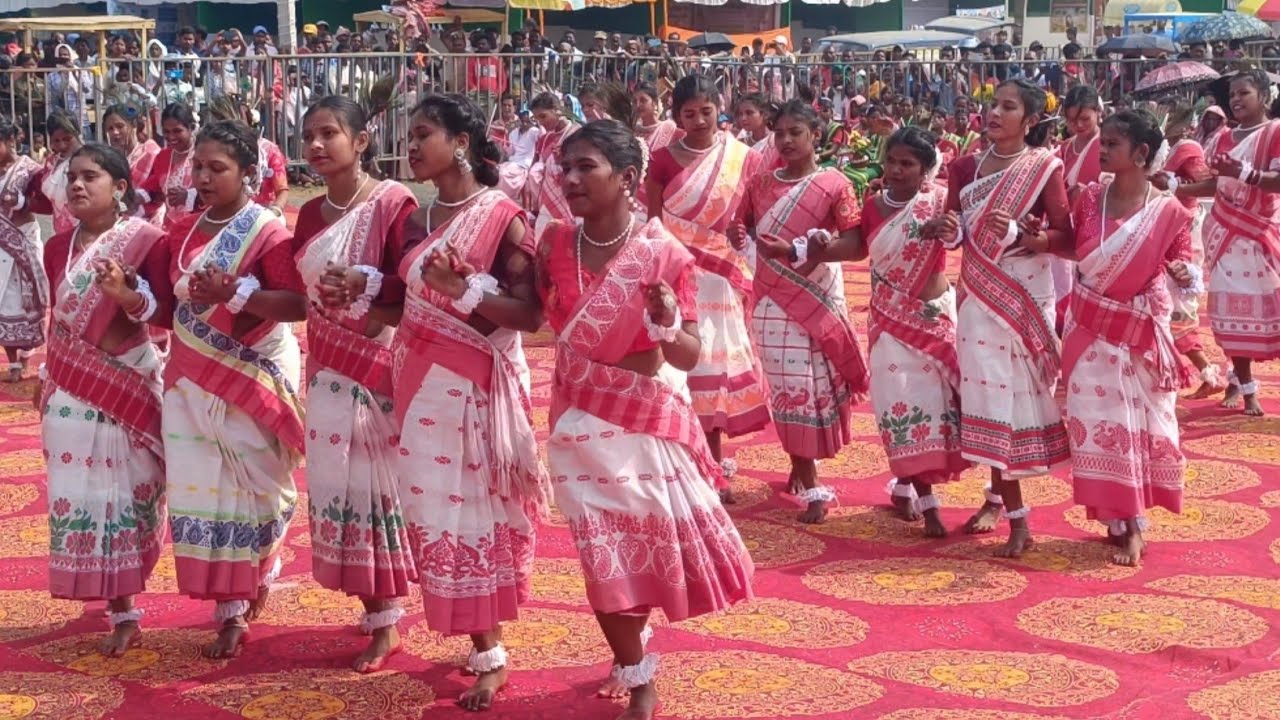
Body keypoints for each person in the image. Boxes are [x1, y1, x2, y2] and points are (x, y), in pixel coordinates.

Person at [537, 118, 753, 720]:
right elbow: (541, 318)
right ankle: (637, 676)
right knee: (601, 554)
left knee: (641, 550)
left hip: (642, 422)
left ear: (628, 178)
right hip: (578, 423)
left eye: (587, 168)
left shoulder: (663, 254)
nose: (572, 179)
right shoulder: (554, 242)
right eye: (567, 168)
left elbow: (686, 353)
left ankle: (635, 644)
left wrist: (662, 318)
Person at [395, 94, 546, 711]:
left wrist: (465, 291)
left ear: (460, 142)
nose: (411, 146)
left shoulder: (503, 217)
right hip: (414, 380)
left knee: (477, 510)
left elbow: (530, 314)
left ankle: (492, 651)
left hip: (475, 384)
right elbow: (397, 297)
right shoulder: (416, 220)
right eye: (408, 135)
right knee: (434, 513)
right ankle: (470, 630)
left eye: (423, 133)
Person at [163, 120, 306, 659]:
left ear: (250, 173)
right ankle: (229, 609)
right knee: (206, 488)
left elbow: (295, 305)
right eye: (198, 166)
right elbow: (164, 304)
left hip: (255, 366)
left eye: (216, 168)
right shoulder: (181, 229)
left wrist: (235, 294)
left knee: (264, 489)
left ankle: (262, 563)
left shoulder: (269, 230)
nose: (202, 176)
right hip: (191, 375)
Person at [292, 96, 420, 672]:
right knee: (339, 491)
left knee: (379, 493)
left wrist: (367, 285)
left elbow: (412, 285)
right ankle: (373, 608)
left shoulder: (395, 203)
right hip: (327, 366)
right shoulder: (308, 215)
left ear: (361, 142)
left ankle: (387, 618)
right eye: (308, 136)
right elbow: (302, 293)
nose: (316, 146)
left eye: (329, 134)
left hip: (378, 364)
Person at [38, 143, 170, 656]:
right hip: (69, 389)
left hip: (124, 384)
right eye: (71, 176)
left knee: (126, 497)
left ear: (120, 188)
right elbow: (59, 321)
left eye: (90, 176)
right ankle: (117, 606)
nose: (76, 185)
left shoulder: (146, 242)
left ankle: (126, 605)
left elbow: (162, 315)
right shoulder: (58, 247)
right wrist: (48, 377)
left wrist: (125, 296)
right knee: (83, 497)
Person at [940, 78, 1073, 556]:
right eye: (992, 105)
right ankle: (1014, 514)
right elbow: (953, 232)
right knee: (991, 402)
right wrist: (949, 230)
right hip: (978, 297)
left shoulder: (1043, 168)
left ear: (1030, 120)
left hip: (1024, 294)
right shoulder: (963, 168)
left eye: (1007, 107)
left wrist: (1022, 232)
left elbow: (1067, 239)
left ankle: (1000, 499)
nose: (994, 113)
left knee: (1018, 400)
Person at [1065, 109, 1194, 566]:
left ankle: (1137, 524)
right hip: (1089, 327)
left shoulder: (1168, 211)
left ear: (1141, 154)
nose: (1101, 150)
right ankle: (1115, 516)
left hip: (1137, 331)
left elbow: (1184, 264)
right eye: (1102, 142)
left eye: (1112, 145)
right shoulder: (1088, 198)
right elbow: (1075, 249)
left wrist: (1183, 272)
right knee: (1099, 425)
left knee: (1138, 425)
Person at [729, 100, 868, 523]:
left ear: (815, 136)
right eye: (780, 133)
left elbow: (856, 244)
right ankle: (810, 482)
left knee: (821, 387)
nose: (786, 141)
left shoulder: (835, 184)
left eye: (796, 133)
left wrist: (808, 248)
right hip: (773, 298)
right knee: (792, 387)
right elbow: (740, 224)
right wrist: (737, 232)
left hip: (819, 292)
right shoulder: (759, 183)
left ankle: (802, 463)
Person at [645, 75, 770, 499]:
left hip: (721, 278)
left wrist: (740, 237)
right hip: (681, 274)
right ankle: (691, 463)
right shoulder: (660, 159)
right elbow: (654, 221)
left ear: (721, 108)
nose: (699, 120)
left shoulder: (743, 158)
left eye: (706, 111)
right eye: (688, 113)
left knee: (716, 371)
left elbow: (753, 213)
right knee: (685, 369)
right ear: (676, 116)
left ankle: (713, 466)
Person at [861, 127, 969, 537]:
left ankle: (907, 485)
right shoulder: (872, 206)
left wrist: (949, 228)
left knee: (942, 410)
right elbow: (857, 248)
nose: (896, 170)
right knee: (902, 409)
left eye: (907, 164)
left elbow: (965, 237)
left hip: (933, 319)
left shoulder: (941, 202)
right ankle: (929, 504)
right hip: (890, 322)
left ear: (926, 170)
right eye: (891, 161)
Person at [1175, 70, 1280, 416]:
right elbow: (1215, 185)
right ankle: (1244, 386)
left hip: (1259, 232)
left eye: (1244, 93)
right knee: (1230, 315)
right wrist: (1176, 188)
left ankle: (1242, 382)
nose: (1235, 99)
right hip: (1225, 235)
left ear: (1264, 96)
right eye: (1232, 94)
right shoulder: (1225, 137)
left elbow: (1276, 182)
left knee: (1268, 310)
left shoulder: (1275, 132)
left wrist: (1246, 174)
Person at [1150, 103, 1224, 398]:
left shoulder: (1188, 147)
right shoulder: (1168, 146)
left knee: (1177, 309)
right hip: (1161, 225)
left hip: (1182, 226)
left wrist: (1170, 185)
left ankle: (1208, 372)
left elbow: (1206, 184)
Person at [1053, 85, 1105, 331]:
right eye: (1072, 120)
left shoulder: (1109, 143)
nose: (1079, 125)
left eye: (1085, 118)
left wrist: (1089, 192)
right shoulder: (1064, 147)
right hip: (1069, 225)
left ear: (1098, 112)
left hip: (1100, 225)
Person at [0, 120, 48, 382]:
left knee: (28, 299)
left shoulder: (29, 169)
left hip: (23, 240)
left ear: (10, 140)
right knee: (3, 300)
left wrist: (19, 202)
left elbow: (45, 203)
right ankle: (12, 362)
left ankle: (27, 353)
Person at [203, 97, 290, 219]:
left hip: (261, 218)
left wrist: (274, 212)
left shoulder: (268, 150)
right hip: (223, 216)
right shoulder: (212, 152)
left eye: (222, 120)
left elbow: (282, 190)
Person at [140, 103, 200, 231]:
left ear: (191, 128)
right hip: (170, 227)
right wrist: (134, 198)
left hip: (200, 226)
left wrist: (189, 196)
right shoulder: (163, 156)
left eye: (177, 131)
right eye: (166, 132)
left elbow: (219, 188)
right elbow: (153, 185)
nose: (171, 137)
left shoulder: (203, 154)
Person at [528, 92, 580, 236]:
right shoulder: (545, 138)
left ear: (557, 109)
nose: (540, 122)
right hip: (546, 202)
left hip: (570, 200)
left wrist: (564, 161)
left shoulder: (576, 133)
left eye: (543, 116)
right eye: (536, 118)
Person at [27, 111, 82, 237]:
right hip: (60, 232)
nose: (62, 145)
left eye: (67, 139)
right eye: (56, 140)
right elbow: (47, 204)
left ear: (77, 133)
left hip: (86, 231)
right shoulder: (51, 162)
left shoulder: (90, 159)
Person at [102, 103, 161, 193]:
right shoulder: (108, 159)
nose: (115, 132)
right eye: (110, 128)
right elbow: (116, 193)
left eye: (120, 126)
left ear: (134, 125)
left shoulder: (150, 152)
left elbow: (159, 187)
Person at [499, 110, 543, 206]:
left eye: (527, 121)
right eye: (522, 121)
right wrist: (506, 146)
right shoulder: (513, 133)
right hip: (513, 161)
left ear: (531, 122)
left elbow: (543, 136)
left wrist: (538, 123)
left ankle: (505, 198)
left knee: (503, 173)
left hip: (524, 164)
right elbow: (511, 153)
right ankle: (502, 199)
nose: (524, 124)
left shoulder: (534, 131)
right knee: (498, 170)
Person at [633, 82, 680, 153]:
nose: (638, 105)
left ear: (654, 102)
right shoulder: (634, 130)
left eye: (643, 100)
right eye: (634, 101)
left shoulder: (668, 128)